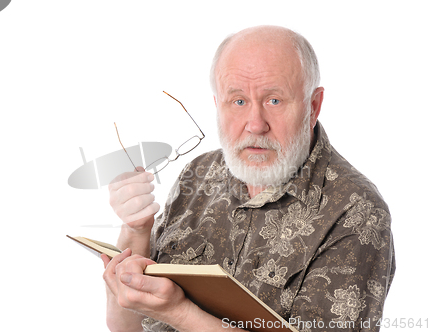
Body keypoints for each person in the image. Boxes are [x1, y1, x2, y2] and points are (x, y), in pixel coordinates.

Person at [102, 25, 395, 332]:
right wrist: (136, 230)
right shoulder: (199, 173)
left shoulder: (356, 211)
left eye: (274, 101)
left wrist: (179, 312)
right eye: (238, 101)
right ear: (218, 106)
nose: (255, 125)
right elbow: (126, 326)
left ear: (313, 106)